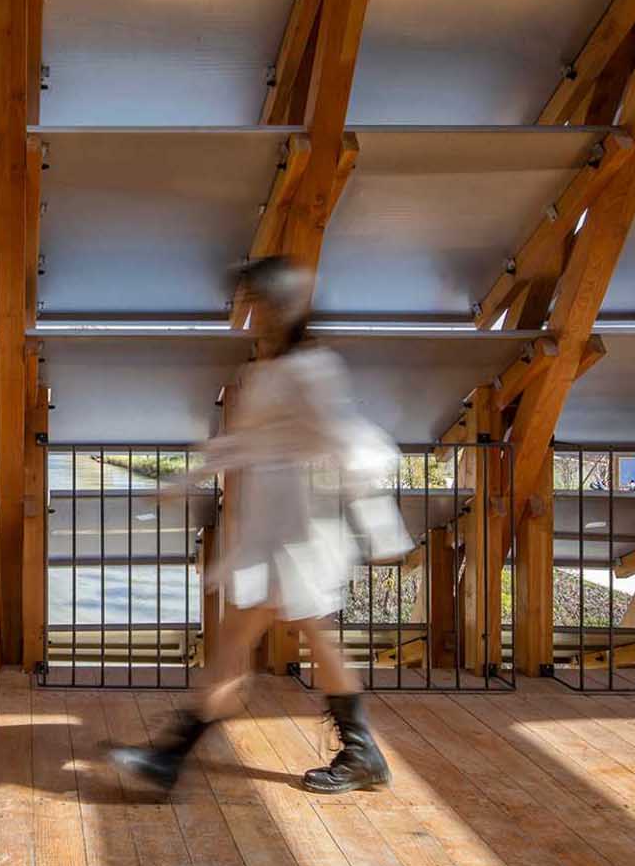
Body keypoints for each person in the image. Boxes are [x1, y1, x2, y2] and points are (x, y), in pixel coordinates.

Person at [105, 256, 408, 796]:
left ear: (277, 307)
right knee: (271, 644)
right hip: (273, 526)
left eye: (253, 304)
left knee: (255, 647)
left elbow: (348, 443)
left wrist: (384, 529)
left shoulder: (309, 371)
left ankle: (170, 759)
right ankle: (359, 753)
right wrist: (187, 479)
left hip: (297, 531)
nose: (245, 314)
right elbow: (245, 442)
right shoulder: (269, 369)